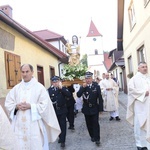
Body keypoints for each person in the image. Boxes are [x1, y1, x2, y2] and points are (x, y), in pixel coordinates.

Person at [5, 64, 61, 150]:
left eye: (27, 71)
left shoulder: (39, 88)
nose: (25, 74)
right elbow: (8, 103)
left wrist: (31, 106)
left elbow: (45, 105)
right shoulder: (16, 88)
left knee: (35, 145)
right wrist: (16, 106)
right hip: (19, 125)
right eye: (23, 72)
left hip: (34, 124)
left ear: (32, 72)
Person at [126, 62, 150, 150]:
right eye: (143, 67)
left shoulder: (148, 78)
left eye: (146, 67)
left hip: (148, 106)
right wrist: (144, 93)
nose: (145, 68)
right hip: (140, 106)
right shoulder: (134, 79)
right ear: (138, 69)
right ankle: (140, 144)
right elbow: (131, 90)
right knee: (140, 124)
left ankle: (148, 143)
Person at [77, 71, 103, 146]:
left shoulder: (96, 86)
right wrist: (82, 88)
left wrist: (100, 109)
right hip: (86, 108)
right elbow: (78, 95)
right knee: (89, 124)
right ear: (85, 79)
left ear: (92, 78)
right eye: (86, 78)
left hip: (94, 107)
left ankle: (97, 138)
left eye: (89, 78)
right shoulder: (83, 87)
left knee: (95, 123)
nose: (88, 80)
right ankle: (92, 136)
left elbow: (100, 98)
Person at [47, 76, 71, 148]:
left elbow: (69, 95)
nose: (55, 83)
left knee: (63, 125)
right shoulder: (49, 90)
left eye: (56, 82)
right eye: (54, 82)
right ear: (52, 82)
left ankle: (63, 141)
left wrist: (62, 88)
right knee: (57, 126)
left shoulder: (62, 88)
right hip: (54, 111)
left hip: (62, 110)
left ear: (59, 82)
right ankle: (60, 137)